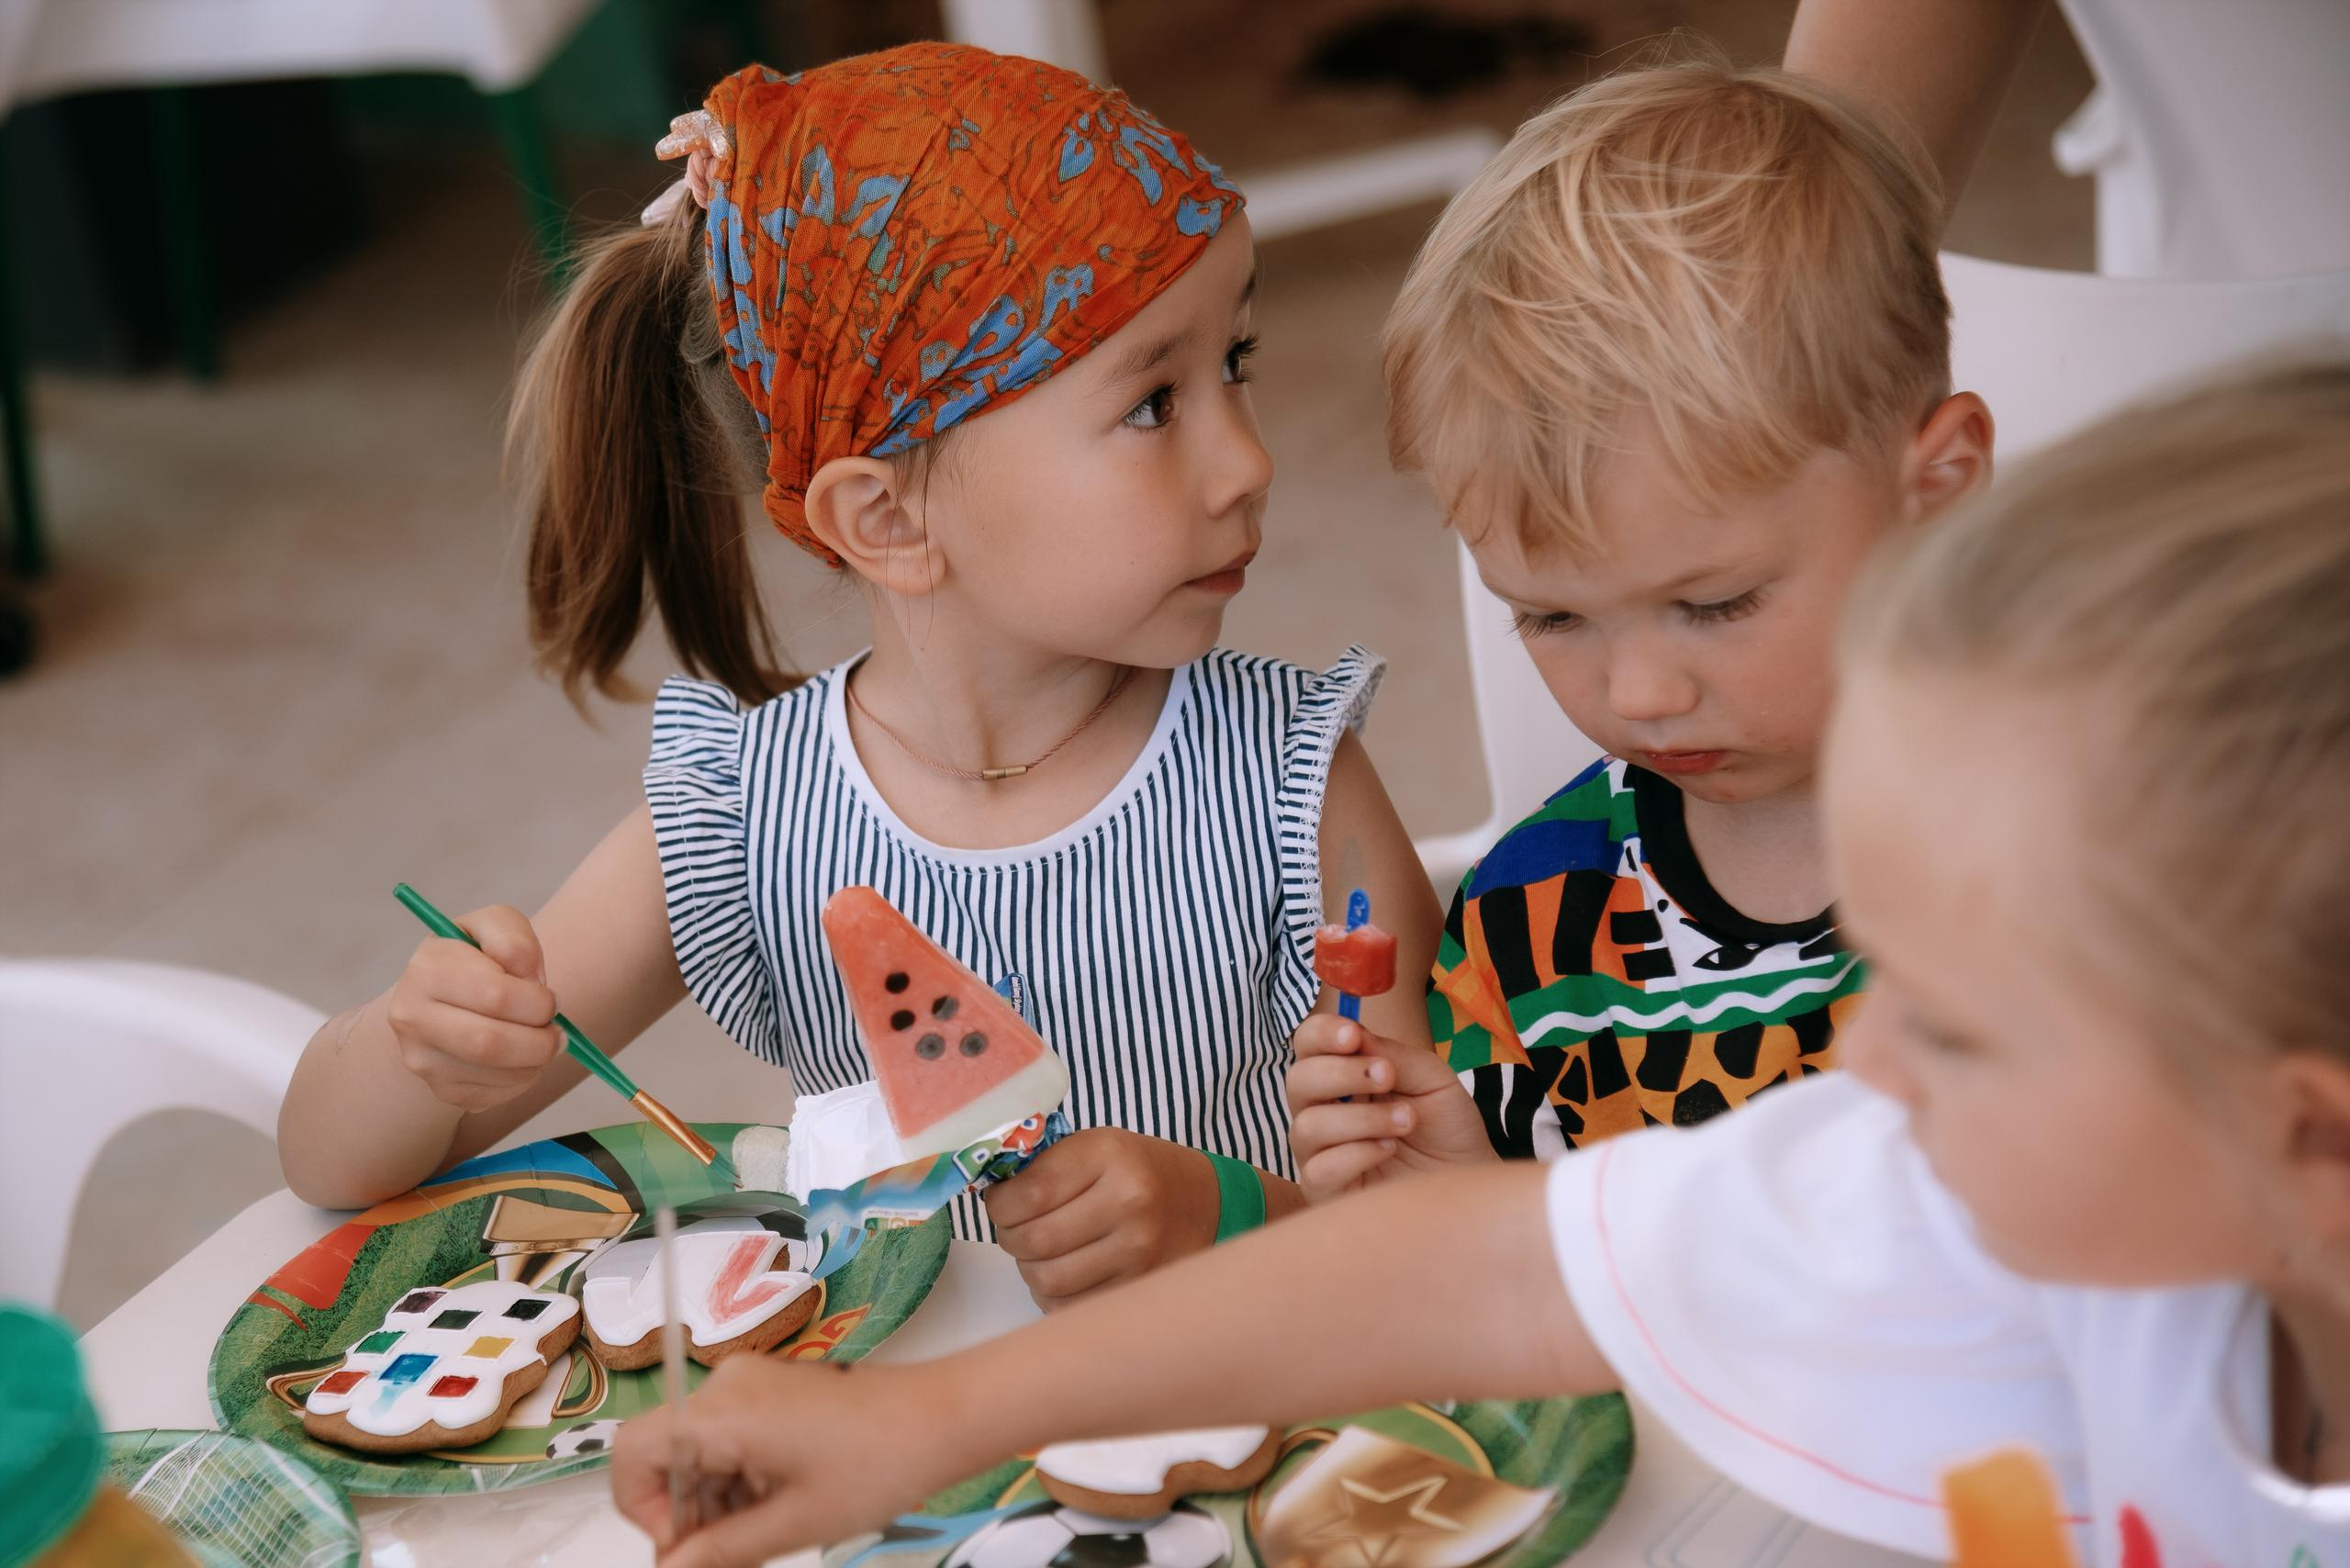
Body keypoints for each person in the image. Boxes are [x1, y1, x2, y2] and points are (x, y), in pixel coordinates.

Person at [613, 360, 2350, 1568]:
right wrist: (930, 1424)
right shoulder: (2063, 1208)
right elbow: (1502, 1266)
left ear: (2310, 1138)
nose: (1866, 1064)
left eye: (1959, 1032)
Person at [276, 42, 1439, 1308]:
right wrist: (415, 1048)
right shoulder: (745, 814)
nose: (1249, 462)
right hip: (901, 1478)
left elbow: (1441, 1217)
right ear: (885, 520)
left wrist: (1226, 1211)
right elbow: (331, 1165)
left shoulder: (1293, 786)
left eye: (1237, 364)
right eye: (1155, 403)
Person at [1284, 57, 1991, 1192]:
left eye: (1715, 604)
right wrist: (1454, 1185)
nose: (1639, 695)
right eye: (1553, 617)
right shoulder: (1525, 928)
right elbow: (1540, 1297)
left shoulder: (2098, 838)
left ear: (1938, 487)